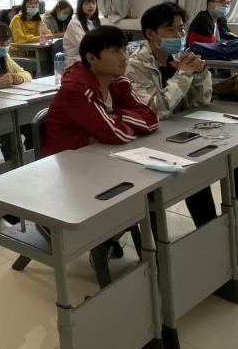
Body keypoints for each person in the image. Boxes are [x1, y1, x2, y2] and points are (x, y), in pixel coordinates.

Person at [127, 3, 238, 263]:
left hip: (183, 131)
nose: (179, 35)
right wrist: (183, 75)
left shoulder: (180, 57)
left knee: (235, 158)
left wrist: (201, 75)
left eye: (181, 29)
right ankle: (217, 248)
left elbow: (201, 103)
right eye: (170, 30)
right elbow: (156, 110)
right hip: (152, 140)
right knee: (196, 172)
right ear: (150, 34)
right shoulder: (136, 65)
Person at [43, 25, 159, 263]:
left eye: (124, 50)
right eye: (115, 51)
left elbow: (151, 119)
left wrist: (118, 116)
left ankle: (108, 240)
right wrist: (121, 121)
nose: (123, 57)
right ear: (92, 58)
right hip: (71, 169)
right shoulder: (77, 89)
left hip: (101, 158)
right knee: (141, 190)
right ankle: (103, 239)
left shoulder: (118, 81)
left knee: (151, 186)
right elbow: (117, 134)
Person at [63, 0, 101, 68]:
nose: (91, 6)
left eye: (93, 3)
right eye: (87, 3)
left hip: (89, 57)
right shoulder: (75, 23)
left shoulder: (95, 22)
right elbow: (84, 46)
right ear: (80, 6)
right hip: (75, 61)